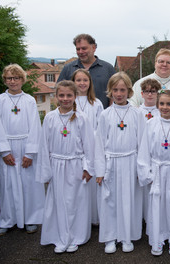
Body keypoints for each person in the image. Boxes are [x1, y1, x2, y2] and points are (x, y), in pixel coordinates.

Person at [36, 80, 95, 254]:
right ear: (56, 97)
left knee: (75, 202)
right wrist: (46, 171)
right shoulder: (50, 118)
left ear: (75, 96)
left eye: (69, 95)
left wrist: (88, 168)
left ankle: (75, 237)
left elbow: (89, 145)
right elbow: (44, 145)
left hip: (76, 166)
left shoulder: (82, 118)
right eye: (61, 95)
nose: (65, 98)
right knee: (58, 202)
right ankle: (60, 236)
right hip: (56, 166)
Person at [0, 64, 45, 237]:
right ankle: (7, 220)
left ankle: (30, 219)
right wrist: (4, 151)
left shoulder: (29, 100)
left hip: (25, 146)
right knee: (7, 185)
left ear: (22, 79)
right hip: (7, 147)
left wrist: (30, 153)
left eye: (16, 78)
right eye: (9, 78)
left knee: (28, 184)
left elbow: (35, 126)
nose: (13, 81)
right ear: (5, 80)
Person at [95, 72, 144, 254]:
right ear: (110, 91)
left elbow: (143, 143)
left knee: (129, 200)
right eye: (115, 90)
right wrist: (100, 170)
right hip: (111, 163)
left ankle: (127, 237)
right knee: (110, 201)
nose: (119, 93)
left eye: (122, 90)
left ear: (129, 91)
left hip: (131, 161)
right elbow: (99, 143)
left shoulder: (137, 114)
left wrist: (141, 168)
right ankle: (110, 237)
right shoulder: (105, 115)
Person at [137, 90, 170, 256]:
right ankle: (157, 239)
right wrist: (148, 174)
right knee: (157, 206)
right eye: (162, 104)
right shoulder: (151, 124)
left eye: (169, 104)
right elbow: (144, 151)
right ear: (157, 104)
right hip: (157, 171)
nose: (165, 107)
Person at [129, 48, 170, 126]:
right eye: (161, 61)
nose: (164, 64)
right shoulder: (140, 84)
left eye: (168, 62)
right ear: (155, 63)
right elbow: (132, 108)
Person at [71, 69, 103, 226]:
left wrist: (90, 138)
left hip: (92, 149)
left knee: (91, 185)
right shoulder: (69, 102)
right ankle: (79, 218)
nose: (82, 83)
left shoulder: (96, 104)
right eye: (78, 80)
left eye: (85, 80)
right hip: (75, 150)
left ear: (90, 83)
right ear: (73, 82)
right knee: (77, 184)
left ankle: (93, 217)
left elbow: (100, 127)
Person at [57, 33, 116, 108]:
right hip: (73, 117)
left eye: (84, 48)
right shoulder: (68, 69)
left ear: (94, 48)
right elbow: (59, 92)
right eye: (78, 49)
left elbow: (114, 93)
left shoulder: (108, 69)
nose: (81, 52)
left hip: (102, 116)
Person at [138, 78, 161, 223]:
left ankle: (154, 220)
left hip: (157, 156)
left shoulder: (162, 111)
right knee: (141, 192)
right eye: (147, 91)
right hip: (141, 154)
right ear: (142, 93)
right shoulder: (137, 111)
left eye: (153, 91)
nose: (150, 95)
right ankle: (142, 218)